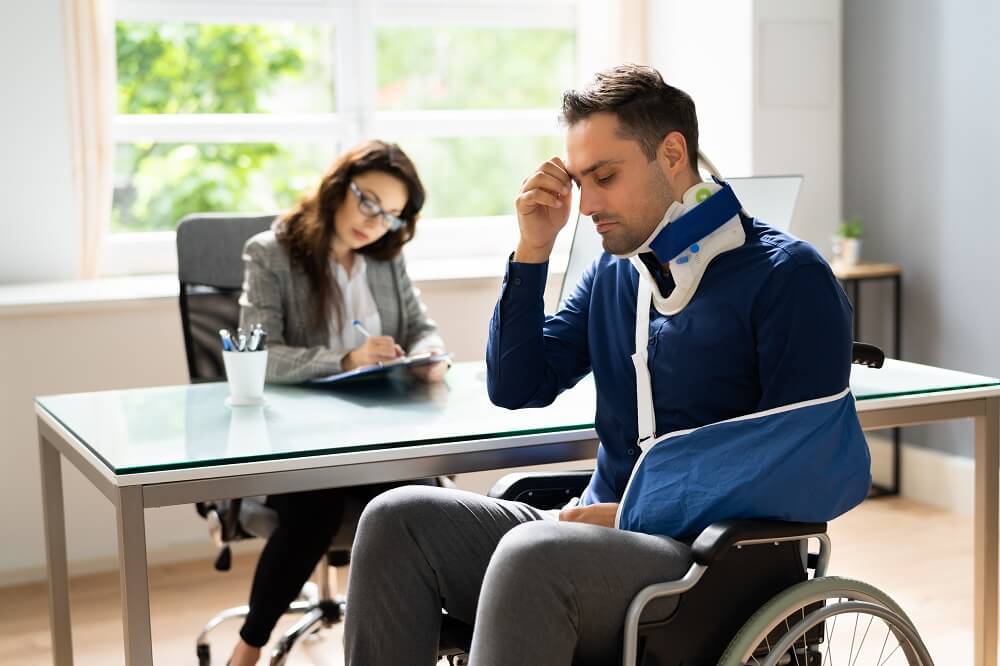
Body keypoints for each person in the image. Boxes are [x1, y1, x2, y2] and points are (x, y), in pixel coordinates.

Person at [342, 65, 871, 666]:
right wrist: (533, 249)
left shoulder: (789, 277)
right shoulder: (615, 272)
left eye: (605, 177)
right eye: (578, 180)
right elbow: (518, 385)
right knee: (395, 519)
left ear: (672, 153)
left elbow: (803, 471)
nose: (587, 204)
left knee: (533, 554)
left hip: (710, 565)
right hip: (584, 540)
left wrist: (628, 514)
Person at [229, 139, 450, 666]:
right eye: (369, 202)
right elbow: (257, 353)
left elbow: (420, 327)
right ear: (339, 187)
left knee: (426, 500)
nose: (375, 223)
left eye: (391, 216)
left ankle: (420, 644)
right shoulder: (271, 253)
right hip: (299, 439)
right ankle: (249, 646)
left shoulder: (385, 261)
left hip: (374, 433)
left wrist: (427, 353)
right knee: (316, 505)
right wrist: (346, 360)